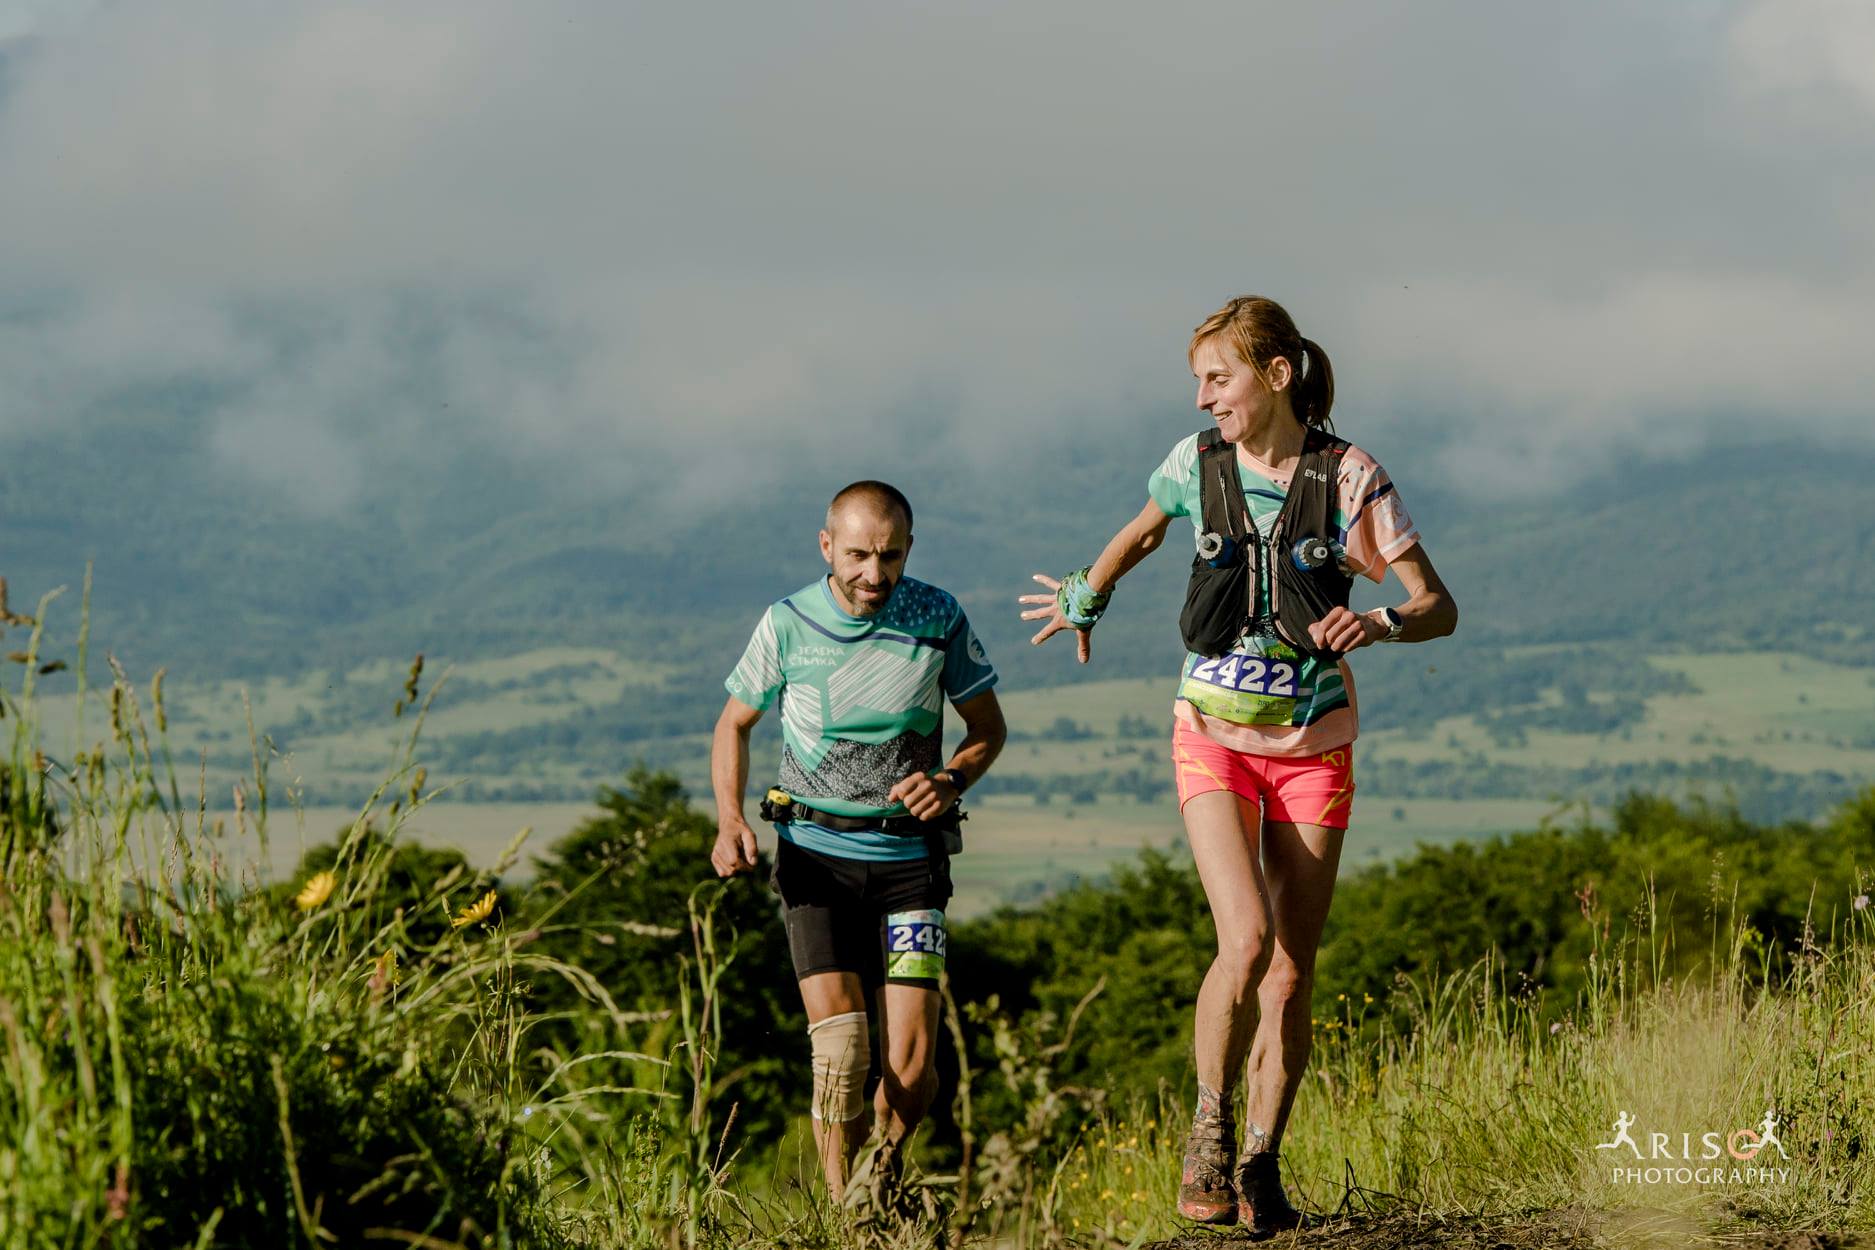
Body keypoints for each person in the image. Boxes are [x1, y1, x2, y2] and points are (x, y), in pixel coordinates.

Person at [1019, 296, 1456, 1230]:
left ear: (1275, 375)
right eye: (1198, 382)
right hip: (1210, 737)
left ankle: (1261, 1160)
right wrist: (1082, 598)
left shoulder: (1351, 478)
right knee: (1245, 941)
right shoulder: (1196, 466)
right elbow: (1140, 533)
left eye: (1216, 378)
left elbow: (1435, 603)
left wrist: (1378, 621)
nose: (1203, 399)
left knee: (1291, 972)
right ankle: (1208, 1130)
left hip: (1313, 747)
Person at [710, 480, 1007, 1201]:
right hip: (813, 859)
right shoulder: (786, 622)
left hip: (910, 866)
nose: (874, 574)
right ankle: (847, 1218)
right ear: (825, 547)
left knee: (909, 1073)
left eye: (890, 556)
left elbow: (986, 729)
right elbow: (733, 724)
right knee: (841, 1054)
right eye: (856, 556)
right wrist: (729, 820)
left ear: (909, 550)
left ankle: (884, 1173)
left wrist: (951, 780)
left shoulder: (937, 615)